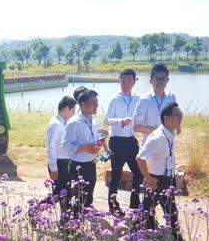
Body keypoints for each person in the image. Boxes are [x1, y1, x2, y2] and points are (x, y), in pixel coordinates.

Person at [135, 103, 199, 241]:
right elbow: (140, 159)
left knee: (172, 214)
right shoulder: (157, 137)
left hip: (166, 181)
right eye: (177, 116)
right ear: (167, 118)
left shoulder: (169, 134)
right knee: (145, 214)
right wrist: (149, 179)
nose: (180, 119)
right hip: (156, 181)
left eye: (181, 115)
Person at [31, 95, 77, 224]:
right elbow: (50, 148)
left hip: (65, 163)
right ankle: (65, 223)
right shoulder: (55, 124)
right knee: (60, 195)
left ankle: (64, 221)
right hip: (59, 164)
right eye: (73, 111)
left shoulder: (62, 121)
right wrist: (54, 168)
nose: (73, 114)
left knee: (62, 194)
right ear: (67, 109)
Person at [104, 69, 142, 215]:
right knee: (116, 175)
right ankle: (113, 206)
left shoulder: (138, 100)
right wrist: (121, 121)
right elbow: (106, 120)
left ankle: (135, 202)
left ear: (134, 82)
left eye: (129, 81)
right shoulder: (114, 99)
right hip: (117, 142)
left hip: (131, 141)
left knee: (139, 173)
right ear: (120, 81)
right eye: (123, 80)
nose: (126, 84)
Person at [61, 89, 101, 219]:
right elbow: (66, 146)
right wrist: (85, 148)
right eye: (92, 102)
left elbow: (93, 139)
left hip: (91, 163)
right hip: (78, 166)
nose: (96, 105)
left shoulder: (94, 119)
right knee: (79, 198)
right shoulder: (74, 122)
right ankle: (69, 229)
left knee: (88, 197)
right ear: (82, 104)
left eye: (96, 102)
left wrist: (98, 144)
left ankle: (80, 225)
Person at [134, 64, 177, 144]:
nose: (160, 81)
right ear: (150, 81)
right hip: (149, 146)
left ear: (167, 80)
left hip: (167, 145)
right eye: (157, 78)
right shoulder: (144, 100)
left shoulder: (171, 98)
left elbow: (176, 122)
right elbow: (136, 127)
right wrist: (160, 132)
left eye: (163, 78)